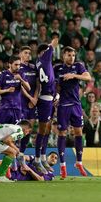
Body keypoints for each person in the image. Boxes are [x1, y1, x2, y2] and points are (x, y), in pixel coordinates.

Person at [54, 46, 92, 179]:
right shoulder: (57, 68)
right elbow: (55, 86)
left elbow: (88, 78)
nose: (71, 58)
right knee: (62, 133)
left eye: (73, 55)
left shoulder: (78, 66)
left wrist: (74, 75)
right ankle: (62, 166)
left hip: (76, 105)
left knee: (78, 132)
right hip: (63, 105)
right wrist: (56, 96)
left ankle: (79, 162)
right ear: (63, 55)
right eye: (69, 55)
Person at [34, 36, 59, 174]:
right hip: (44, 99)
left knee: (47, 129)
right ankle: (37, 160)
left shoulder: (39, 62)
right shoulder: (44, 58)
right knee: (42, 130)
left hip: (49, 98)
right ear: (41, 53)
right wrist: (53, 40)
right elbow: (54, 42)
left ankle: (43, 157)